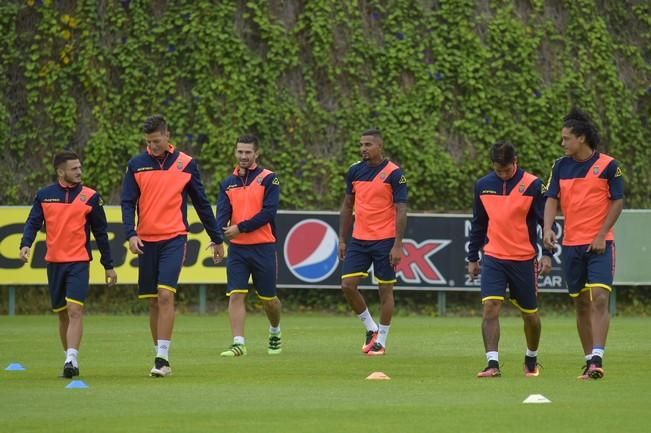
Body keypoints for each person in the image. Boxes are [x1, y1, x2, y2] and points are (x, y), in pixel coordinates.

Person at [121, 114, 223, 377]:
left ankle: (162, 359)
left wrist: (217, 237)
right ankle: (159, 354)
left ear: (167, 136)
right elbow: (127, 203)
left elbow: (201, 203)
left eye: (156, 140)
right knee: (153, 301)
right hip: (146, 240)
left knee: (166, 295)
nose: (152, 146)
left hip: (174, 238)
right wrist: (131, 234)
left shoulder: (186, 164)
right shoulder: (136, 165)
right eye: (148, 141)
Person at [20, 150, 117, 378]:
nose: (79, 172)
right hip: (54, 263)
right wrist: (26, 243)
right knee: (62, 313)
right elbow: (33, 222)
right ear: (60, 171)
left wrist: (108, 265)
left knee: (75, 310)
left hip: (79, 262)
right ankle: (68, 357)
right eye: (74, 169)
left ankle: (71, 358)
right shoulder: (44, 195)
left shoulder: (91, 197)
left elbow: (101, 234)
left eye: (80, 167)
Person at [543, 108, 623, 380]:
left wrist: (601, 234)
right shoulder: (560, 166)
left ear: (581, 138)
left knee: (599, 298)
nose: (562, 143)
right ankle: (589, 361)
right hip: (572, 245)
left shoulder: (609, 166)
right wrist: (548, 228)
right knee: (580, 303)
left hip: (600, 245)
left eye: (566, 138)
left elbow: (618, 201)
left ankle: (598, 358)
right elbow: (552, 198)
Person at [467, 142, 552, 378]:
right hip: (493, 257)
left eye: (507, 169)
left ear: (516, 161)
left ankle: (531, 357)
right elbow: (478, 224)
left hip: (524, 260)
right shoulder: (483, 186)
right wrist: (473, 257)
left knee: (530, 315)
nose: (503, 174)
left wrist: (547, 253)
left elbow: (547, 222)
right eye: (498, 170)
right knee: (490, 307)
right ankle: (492, 364)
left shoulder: (533, 185)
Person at [338, 128, 408, 356]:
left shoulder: (394, 173)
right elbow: (348, 205)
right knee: (347, 285)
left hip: (385, 240)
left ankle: (382, 341)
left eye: (368, 144)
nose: (363, 149)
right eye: (361, 145)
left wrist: (398, 244)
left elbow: (401, 209)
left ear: (380, 146)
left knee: (384, 290)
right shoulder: (355, 171)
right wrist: (342, 239)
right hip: (359, 239)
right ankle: (371, 328)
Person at [216, 134, 282, 357]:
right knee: (236, 294)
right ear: (235, 152)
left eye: (247, 152)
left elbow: (268, 213)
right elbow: (222, 216)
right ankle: (238, 343)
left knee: (269, 301)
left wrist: (239, 228)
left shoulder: (269, 179)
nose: (243, 156)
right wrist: (217, 239)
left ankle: (275, 331)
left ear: (256, 153)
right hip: (238, 250)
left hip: (264, 247)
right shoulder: (227, 183)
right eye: (240, 152)